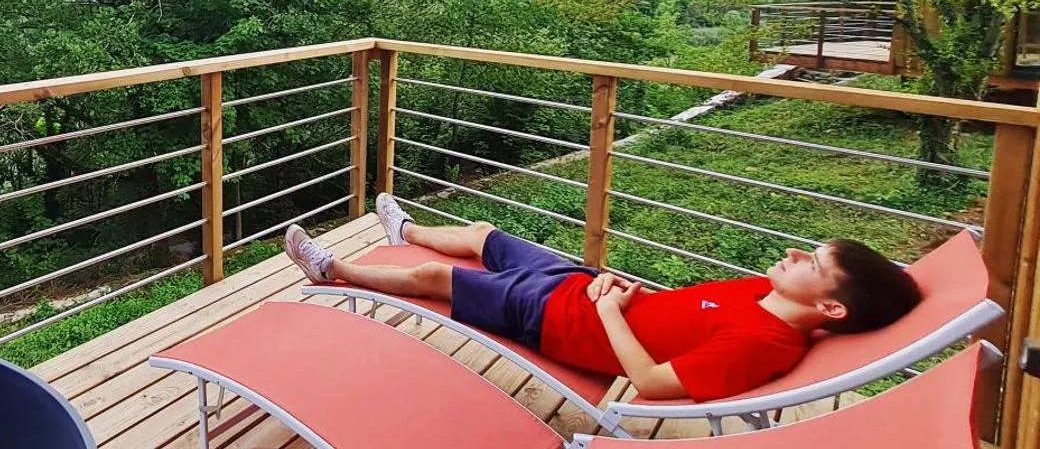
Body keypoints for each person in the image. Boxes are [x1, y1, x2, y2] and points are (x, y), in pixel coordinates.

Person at [283, 194, 923, 402]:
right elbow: (682, 313)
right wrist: (616, 289)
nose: (793, 255)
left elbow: (650, 382)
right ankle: (408, 231)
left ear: (831, 309)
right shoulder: (765, 291)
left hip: (558, 320)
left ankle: (332, 269)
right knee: (483, 235)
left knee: (435, 281)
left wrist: (611, 311)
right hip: (585, 286)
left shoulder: (764, 345)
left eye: (812, 262)